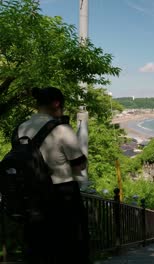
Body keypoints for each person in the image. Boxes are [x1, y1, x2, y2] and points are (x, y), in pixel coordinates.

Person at [18, 87, 90, 263]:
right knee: (70, 245)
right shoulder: (61, 129)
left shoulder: (21, 128)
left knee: (39, 246)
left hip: (31, 197)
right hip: (62, 194)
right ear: (57, 103)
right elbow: (79, 164)